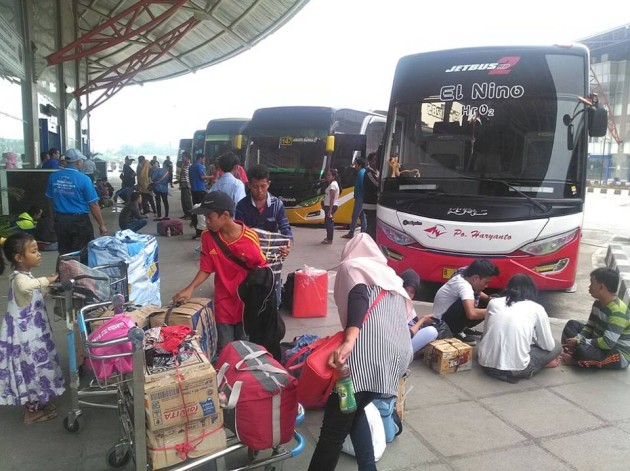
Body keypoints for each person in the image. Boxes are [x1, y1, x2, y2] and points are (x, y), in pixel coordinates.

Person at [308, 233, 413, 471]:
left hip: (364, 361)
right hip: (397, 357)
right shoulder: (390, 277)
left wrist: (349, 341)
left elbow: (358, 297)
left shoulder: (353, 266)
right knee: (353, 410)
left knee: (332, 433)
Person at [172, 191, 266, 353]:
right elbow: (206, 267)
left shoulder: (249, 239)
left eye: (210, 217)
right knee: (225, 347)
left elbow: (263, 273)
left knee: (244, 348)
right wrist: (190, 288)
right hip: (223, 302)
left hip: (245, 304)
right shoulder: (208, 237)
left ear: (225, 215)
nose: (206, 221)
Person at [0, 232, 64, 424]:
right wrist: (48, 280)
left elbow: (34, 291)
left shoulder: (26, 276)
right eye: (34, 251)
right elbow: (28, 287)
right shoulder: (20, 278)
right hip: (26, 340)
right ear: (19, 257)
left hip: (34, 336)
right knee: (31, 372)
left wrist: (48, 288)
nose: (39, 254)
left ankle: (37, 405)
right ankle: (31, 414)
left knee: (37, 370)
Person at [478, 274, 561, 383]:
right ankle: (536, 367)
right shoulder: (536, 308)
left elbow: (486, 334)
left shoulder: (494, 302)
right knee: (556, 345)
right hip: (515, 370)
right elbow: (548, 346)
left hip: (486, 364)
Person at [235, 163, 293, 305]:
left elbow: (285, 229)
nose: (260, 191)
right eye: (255, 187)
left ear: (269, 184)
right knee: (252, 294)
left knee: (274, 294)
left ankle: (274, 312)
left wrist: (288, 246)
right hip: (250, 258)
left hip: (272, 258)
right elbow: (239, 233)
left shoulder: (277, 205)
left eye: (263, 186)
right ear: (249, 185)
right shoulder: (242, 206)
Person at [45, 148, 107, 262]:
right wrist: (101, 224)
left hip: (60, 220)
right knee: (82, 253)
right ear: (78, 162)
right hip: (79, 222)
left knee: (64, 253)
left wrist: (53, 218)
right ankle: (80, 277)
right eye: (81, 161)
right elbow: (93, 204)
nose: (82, 162)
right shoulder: (84, 179)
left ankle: (65, 277)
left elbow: (49, 200)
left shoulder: (53, 177)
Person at [561, 267, 630, 369]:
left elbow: (608, 343)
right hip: (597, 340)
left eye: (592, 284)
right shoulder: (597, 303)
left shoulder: (618, 312)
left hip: (615, 352)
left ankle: (575, 358)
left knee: (583, 352)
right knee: (571, 325)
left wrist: (579, 342)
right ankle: (575, 352)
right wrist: (578, 338)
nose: (589, 287)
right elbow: (589, 326)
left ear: (601, 287)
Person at [432, 259, 500, 345]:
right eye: (486, 282)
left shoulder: (464, 273)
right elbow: (471, 314)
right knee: (487, 306)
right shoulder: (464, 286)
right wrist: (496, 309)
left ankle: (464, 328)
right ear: (475, 278)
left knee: (494, 299)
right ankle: (456, 331)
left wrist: (488, 298)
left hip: (448, 314)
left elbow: (479, 294)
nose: (486, 286)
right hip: (441, 323)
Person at [401, 268, 438, 355]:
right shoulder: (395, 304)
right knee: (431, 331)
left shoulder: (407, 304)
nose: (408, 295)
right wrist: (423, 320)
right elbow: (407, 335)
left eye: (412, 292)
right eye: (405, 290)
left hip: (399, 343)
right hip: (394, 349)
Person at [342, 157, 367, 239]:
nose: (354, 165)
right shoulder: (362, 172)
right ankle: (363, 233)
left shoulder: (361, 173)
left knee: (355, 215)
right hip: (361, 197)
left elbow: (363, 186)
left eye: (356, 163)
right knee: (362, 216)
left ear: (359, 165)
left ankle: (351, 233)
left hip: (360, 198)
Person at [189, 154, 213, 240]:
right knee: (202, 211)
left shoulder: (191, 166)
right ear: (200, 158)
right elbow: (202, 177)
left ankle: (196, 229)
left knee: (195, 209)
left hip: (194, 189)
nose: (204, 161)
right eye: (204, 159)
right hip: (200, 190)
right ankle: (201, 231)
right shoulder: (199, 166)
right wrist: (212, 177)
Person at [321, 168, 341, 245]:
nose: (327, 176)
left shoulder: (333, 185)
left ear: (333, 176)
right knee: (327, 222)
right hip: (329, 206)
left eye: (329, 175)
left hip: (330, 206)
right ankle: (328, 237)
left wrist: (330, 209)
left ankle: (330, 239)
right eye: (327, 175)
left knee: (329, 223)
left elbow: (332, 198)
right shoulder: (332, 184)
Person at [362, 152, 380, 240]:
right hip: (370, 205)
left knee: (373, 227)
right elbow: (377, 185)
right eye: (375, 160)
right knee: (371, 228)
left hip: (376, 205)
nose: (376, 162)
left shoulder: (377, 172)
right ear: (369, 161)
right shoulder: (369, 173)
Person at [179, 151, 193, 220]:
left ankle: (190, 215)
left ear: (187, 157)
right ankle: (186, 214)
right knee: (183, 201)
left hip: (187, 185)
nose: (182, 158)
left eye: (183, 157)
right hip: (183, 185)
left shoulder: (190, 166)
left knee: (187, 201)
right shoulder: (183, 165)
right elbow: (181, 175)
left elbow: (190, 176)